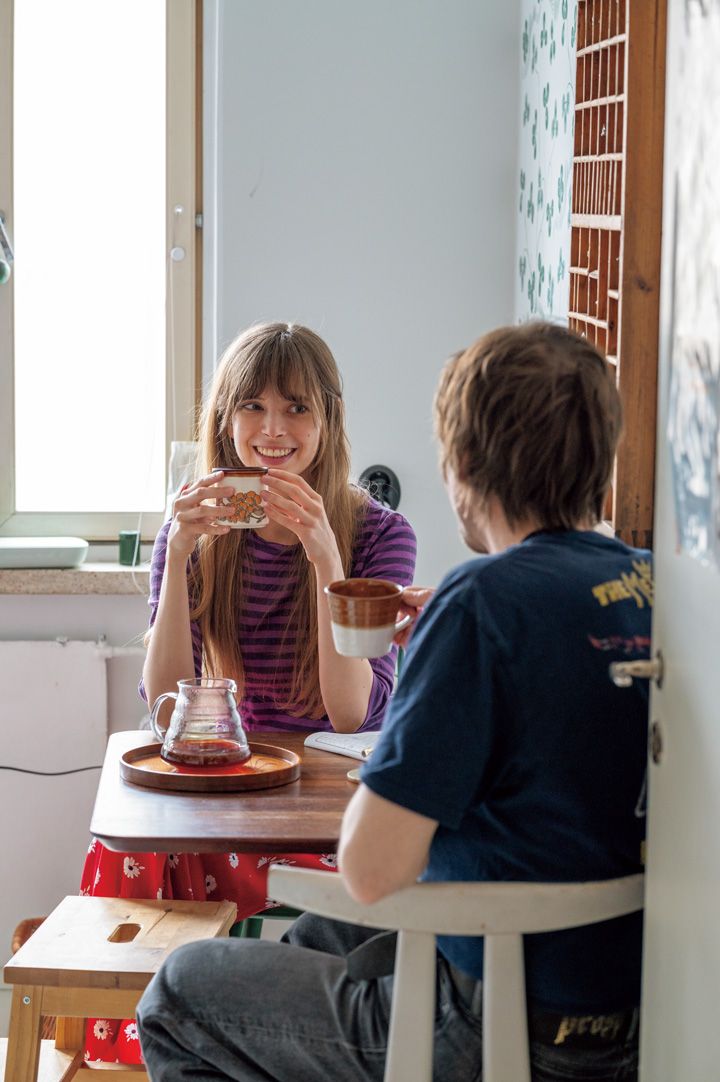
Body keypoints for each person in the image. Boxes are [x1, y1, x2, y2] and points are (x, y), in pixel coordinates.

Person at [136, 321, 651, 1082]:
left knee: (179, 992)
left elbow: (372, 868)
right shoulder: (646, 583)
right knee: (314, 935)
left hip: (496, 1013)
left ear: (462, 464)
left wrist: (450, 636)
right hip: (625, 1000)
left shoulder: (476, 604)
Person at [80, 322, 417, 1065]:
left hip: (328, 801)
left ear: (328, 420)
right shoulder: (196, 521)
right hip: (227, 784)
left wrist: (326, 553)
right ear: (224, 419)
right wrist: (179, 553)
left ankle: (260, 1038)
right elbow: (166, 700)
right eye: (252, 408)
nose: (273, 430)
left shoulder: (380, 533)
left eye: (297, 408)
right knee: (133, 846)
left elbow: (352, 712)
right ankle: (161, 1041)